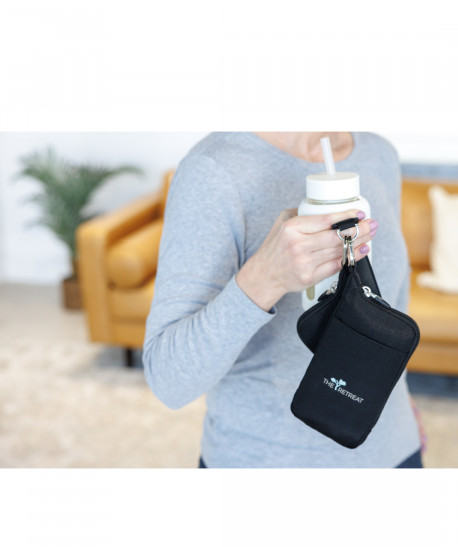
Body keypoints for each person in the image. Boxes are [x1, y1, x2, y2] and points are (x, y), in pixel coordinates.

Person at [142, 132, 427, 468]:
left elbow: (389, 302)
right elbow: (168, 381)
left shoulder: (378, 153)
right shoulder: (213, 169)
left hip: (393, 451)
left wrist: (398, 399)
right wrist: (267, 277)